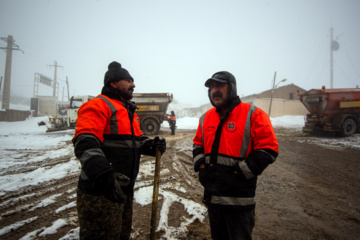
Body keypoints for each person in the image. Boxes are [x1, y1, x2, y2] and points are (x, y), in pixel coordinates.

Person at [73, 61, 166, 239]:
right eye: (128, 80)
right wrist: (102, 173)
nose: (133, 85)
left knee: (121, 235)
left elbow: (137, 140)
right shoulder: (98, 105)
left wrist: (151, 146)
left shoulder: (128, 110)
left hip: (123, 190)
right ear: (114, 83)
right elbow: (85, 142)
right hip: (100, 193)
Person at [192, 71, 279, 240]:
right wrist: (201, 167)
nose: (214, 90)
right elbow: (198, 144)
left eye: (219, 86)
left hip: (239, 203)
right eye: (211, 87)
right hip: (214, 200)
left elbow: (269, 148)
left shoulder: (253, 114)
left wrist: (240, 173)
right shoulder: (206, 118)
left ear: (231, 88)